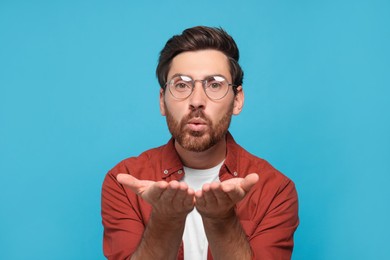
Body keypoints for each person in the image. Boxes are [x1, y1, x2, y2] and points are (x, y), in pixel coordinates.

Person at [101, 26, 299, 260]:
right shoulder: (125, 180)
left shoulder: (275, 189)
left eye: (214, 84)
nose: (196, 101)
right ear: (162, 101)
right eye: (181, 85)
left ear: (237, 100)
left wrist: (222, 219)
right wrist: (165, 219)